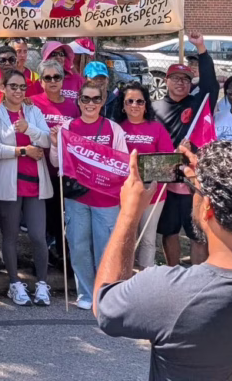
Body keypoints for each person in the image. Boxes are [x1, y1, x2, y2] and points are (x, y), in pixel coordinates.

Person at [95, 142, 232, 381]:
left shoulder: (171, 292)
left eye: (194, 189)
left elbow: (105, 304)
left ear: (208, 208)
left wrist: (129, 213)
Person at [50, 80, 128, 309]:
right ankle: (85, 294)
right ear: (79, 101)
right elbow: (58, 164)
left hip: (106, 200)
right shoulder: (67, 127)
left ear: (103, 101)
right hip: (77, 198)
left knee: (106, 248)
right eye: (86, 99)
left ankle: (104, 294)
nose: (90, 104)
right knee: (79, 246)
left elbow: (122, 165)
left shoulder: (114, 129)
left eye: (96, 99)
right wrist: (55, 144)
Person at [0, 69, 53, 306]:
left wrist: (28, 129)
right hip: (9, 185)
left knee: (37, 235)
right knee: (10, 235)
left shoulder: (33, 111)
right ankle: (15, 283)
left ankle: (43, 284)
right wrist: (22, 151)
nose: (18, 91)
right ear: (3, 88)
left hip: (35, 183)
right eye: (13, 86)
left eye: (22, 87)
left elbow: (46, 140)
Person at [152, 32, 218, 267]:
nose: (181, 83)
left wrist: (201, 48)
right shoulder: (153, 108)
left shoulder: (198, 104)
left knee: (197, 233)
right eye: (176, 78)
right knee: (169, 231)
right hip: (165, 179)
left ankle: (197, 277)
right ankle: (173, 273)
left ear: (191, 84)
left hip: (193, 177)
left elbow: (210, 84)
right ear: (166, 81)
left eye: (186, 79)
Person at [113, 81, 174, 268]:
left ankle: (144, 280)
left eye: (139, 101)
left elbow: (168, 163)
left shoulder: (157, 128)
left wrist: (141, 172)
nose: (134, 105)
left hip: (153, 193)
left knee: (147, 239)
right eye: (129, 101)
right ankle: (124, 278)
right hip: (123, 193)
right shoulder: (115, 128)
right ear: (123, 105)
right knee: (126, 237)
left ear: (146, 104)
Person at [31, 59, 80, 265]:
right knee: (42, 219)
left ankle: (63, 256)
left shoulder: (72, 106)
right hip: (38, 169)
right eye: (47, 77)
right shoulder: (31, 102)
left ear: (62, 80)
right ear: (41, 81)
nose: (52, 81)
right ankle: (42, 258)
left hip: (63, 170)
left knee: (62, 216)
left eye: (57, 77)